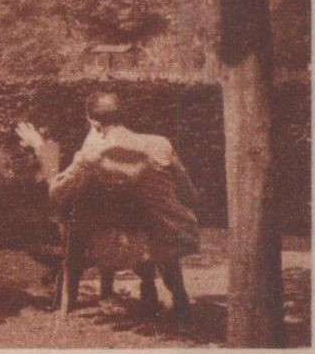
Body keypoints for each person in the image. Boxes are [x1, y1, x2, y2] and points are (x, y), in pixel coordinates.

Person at [16, 91, 198, 317]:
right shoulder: (161, 144)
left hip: (112, 245)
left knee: (84, 223)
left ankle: (66, 306)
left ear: (93, 122)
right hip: (167, 235)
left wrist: (41, 148)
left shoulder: (90, 155)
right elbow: (189, 193)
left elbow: (57, 193)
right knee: (153, 221)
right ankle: (178, 297)